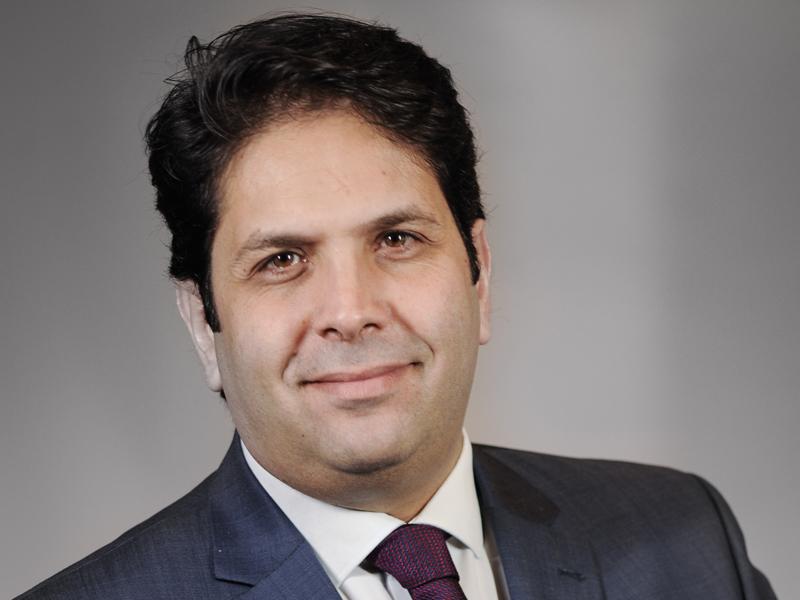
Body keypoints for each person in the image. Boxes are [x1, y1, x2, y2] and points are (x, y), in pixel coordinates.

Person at [17, 13, 776, 600]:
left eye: (396, 239)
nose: (351, 311)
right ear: (202, 321)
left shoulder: (685, 540)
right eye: (283, 260)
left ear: (479, 274)